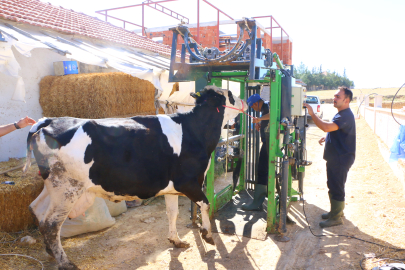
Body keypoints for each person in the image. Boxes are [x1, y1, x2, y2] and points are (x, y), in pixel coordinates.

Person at [303, 86, 356, 228]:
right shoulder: (341, 114)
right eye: (334, 96)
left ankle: (337, 217)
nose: (334, 98)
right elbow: (333, 129)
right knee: (332, 184)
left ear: (346, 100)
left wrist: (312, 114)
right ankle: (335, 212)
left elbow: (327, 126)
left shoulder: (345, 115)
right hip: (336, 157)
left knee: (336, 186)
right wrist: (327, 137)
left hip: (341, 158)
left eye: (338, 97)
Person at [241, 94, 270, 211]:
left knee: (261, 170)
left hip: (269, 143)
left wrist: (260, 119)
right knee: (264, 169)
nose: (253, 109)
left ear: (256, 103)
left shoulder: (268, 107)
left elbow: (273, 115)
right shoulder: (264, 108)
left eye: (253, 107)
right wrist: (260, 124)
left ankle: (257, 203)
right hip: (267, 142)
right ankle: (262, 197)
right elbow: (268, 120)